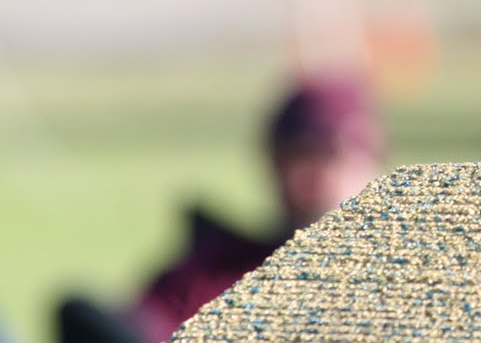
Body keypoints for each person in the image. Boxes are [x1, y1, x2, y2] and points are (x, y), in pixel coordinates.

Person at [57, 76, 386, 343]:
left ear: (372, 161)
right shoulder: (213, 271)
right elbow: (127, 327)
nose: (310, 175)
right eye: (295, 155)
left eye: (328, 155)